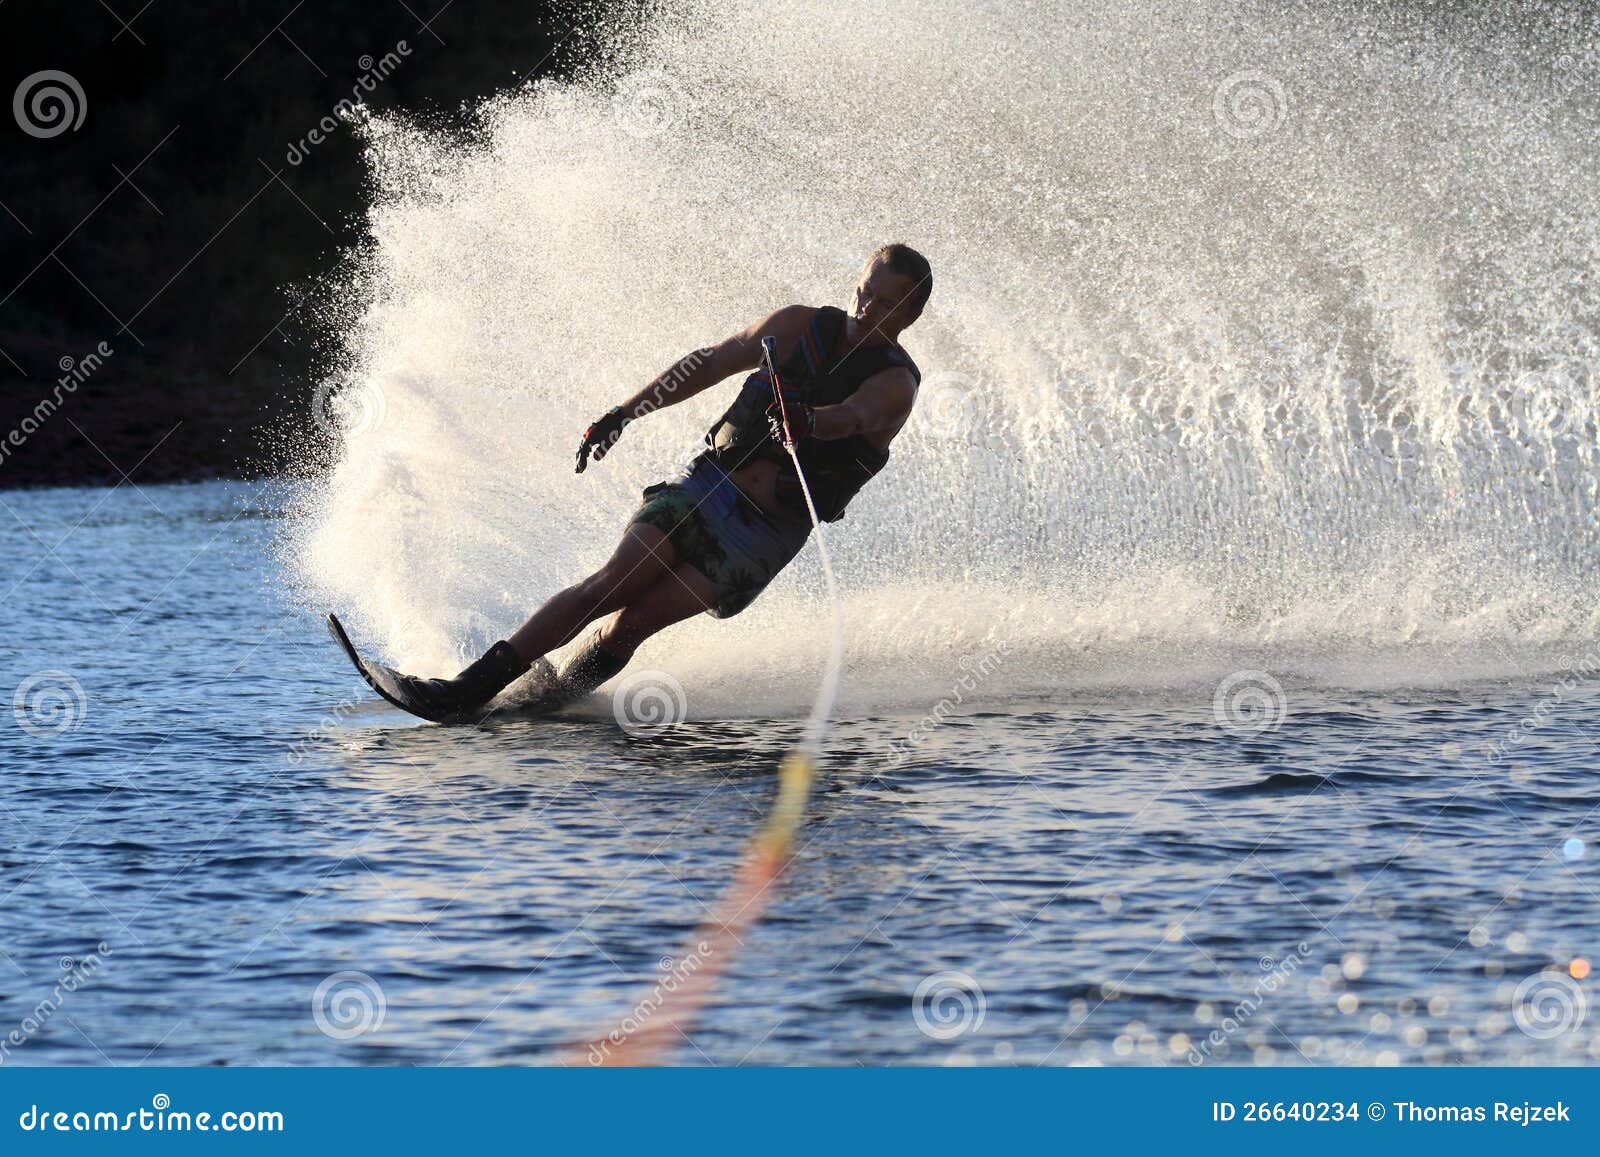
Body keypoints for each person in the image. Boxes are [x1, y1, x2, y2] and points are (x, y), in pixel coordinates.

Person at [383, 242, 932, 722]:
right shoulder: (795, 327)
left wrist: (809, 421)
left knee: (633, 625)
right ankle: (465, 690)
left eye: (885, 304)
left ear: (910, 314)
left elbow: (853, 417)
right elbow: (708, 363)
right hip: (706, 486)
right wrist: (625, 412)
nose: (866, 309)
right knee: (608, 586)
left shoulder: (895, 385)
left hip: (763, 535)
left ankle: (546, 701)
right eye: (864, 292)